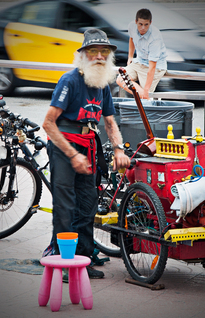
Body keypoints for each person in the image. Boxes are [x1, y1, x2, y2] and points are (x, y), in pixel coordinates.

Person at [42, 29, 130, 278]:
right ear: (83, 55)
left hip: (87, 146)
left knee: (88, 204)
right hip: (64, 147)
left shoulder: (102, 85)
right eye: (93, 51)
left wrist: (118, 149)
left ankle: (83, 258)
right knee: (65, 206)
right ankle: (61, 261)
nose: (99, 56)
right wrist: (72, 154)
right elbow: (48, 123)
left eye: (104, 52)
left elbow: (110, 122)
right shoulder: (69, 81)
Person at [116, 8, 167, 99]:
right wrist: (130, 56)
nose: (143, 28)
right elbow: (131, 38)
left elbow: (152, 67)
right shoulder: (131, 26)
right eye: (140, 24)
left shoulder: (155, 38)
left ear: (150, 23)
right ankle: (145, 98)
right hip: (139, 61)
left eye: (146, 24)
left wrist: (146, 91)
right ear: (136, 22)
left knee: (146, 95)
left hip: (156, 66)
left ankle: (147, 100)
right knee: (120, 79)